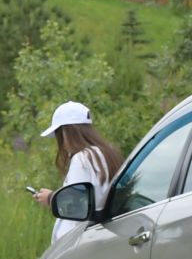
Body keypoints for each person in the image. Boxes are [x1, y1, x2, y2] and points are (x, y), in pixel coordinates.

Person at [30, 101, 123, 241]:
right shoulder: (108, 153)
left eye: (59, 134)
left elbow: (76, 205)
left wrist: (51, 199)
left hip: (80, 241)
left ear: (67, 132)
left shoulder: (82, 159)